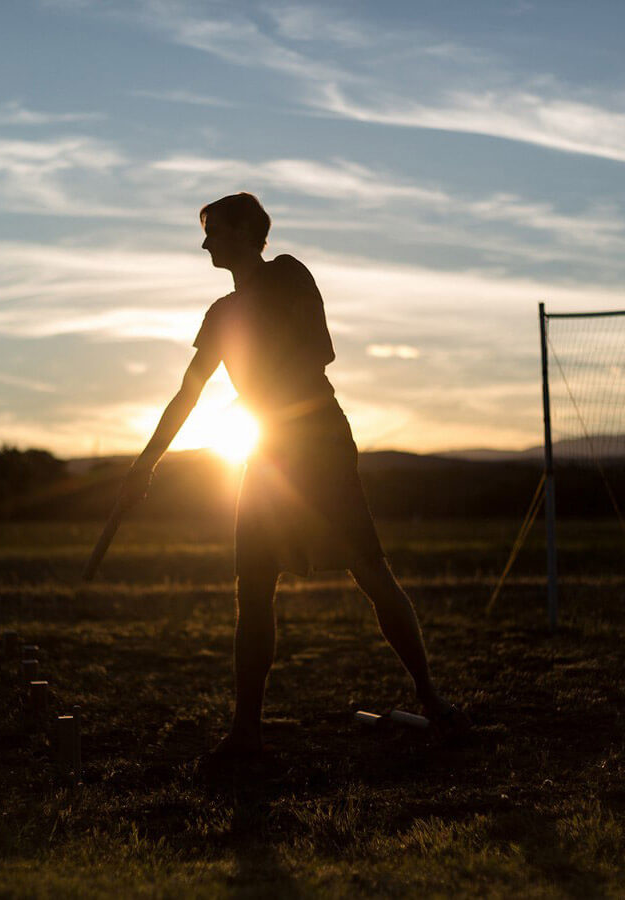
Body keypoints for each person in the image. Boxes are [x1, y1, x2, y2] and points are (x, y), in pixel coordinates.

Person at [119, 192, 466, 756]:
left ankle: (432, 700)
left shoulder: (288, 277)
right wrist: (144, 463)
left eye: (212, 231)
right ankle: (245, 733)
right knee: (253, 588)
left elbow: (315, 355)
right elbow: (187, 394)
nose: (204, 243)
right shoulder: (220, 315)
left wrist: (260, 403)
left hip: (319, 445)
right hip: (268, 455)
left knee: (370, 571)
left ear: (240, 232)